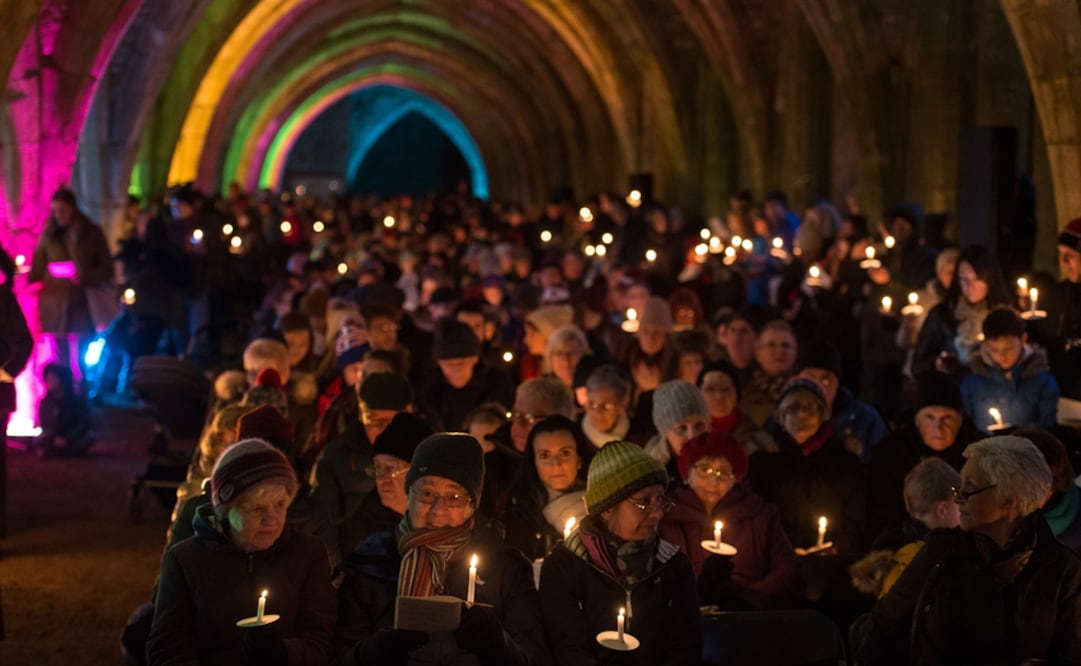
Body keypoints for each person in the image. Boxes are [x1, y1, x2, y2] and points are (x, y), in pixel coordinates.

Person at [858, 436, 1081, 665]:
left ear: (1010, 499)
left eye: (970, 488)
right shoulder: (942, 551)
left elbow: (1071, 656)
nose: (958, 497)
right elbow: (882, 626)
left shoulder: (1064, 570)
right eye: (959, 486)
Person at [334, 433, 550, 665]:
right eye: (427, 493)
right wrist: (371, 652)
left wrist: (499, 645)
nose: (438, 509)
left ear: (471, 506)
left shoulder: (506, 570)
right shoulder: (370, 564)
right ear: (409, 494)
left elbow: (535, 659)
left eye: (454, 497)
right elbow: (339, 654)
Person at [148, 439, 336, 665]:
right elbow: (167, 646)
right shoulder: (185, 561)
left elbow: (321, 640)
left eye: (280, 505)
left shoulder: (307, 555)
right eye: (258, 508)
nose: (272, 520)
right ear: (226, 510)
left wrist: (284, 653)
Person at [539, 441, 702, 664]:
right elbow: (569, 648)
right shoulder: (564, 566)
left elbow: (686, 647)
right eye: (643, 502)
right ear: (607, 508)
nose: (657, 514)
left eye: (660, 500)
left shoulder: (673, 565)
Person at [659, 431, 803, 610]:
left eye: (724, 472)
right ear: (687, 473)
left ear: (736, 478)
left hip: (749, 617)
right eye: (704, 469)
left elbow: (788, 571)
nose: (714, 480)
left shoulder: (759, 515)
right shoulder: (664, 516)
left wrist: (746, 601)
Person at [749, 377, 866, 552]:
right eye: (793, 407)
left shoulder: (847, 464)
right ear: (780, 416)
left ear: (823, 416)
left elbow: (855, 520)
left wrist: (836, 548)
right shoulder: (762, 463)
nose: (802, 414)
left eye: (811, 408)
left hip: (832, 560)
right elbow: (756, 517)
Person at [867, 373, 986, 539]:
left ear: (960, 420)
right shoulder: (891, 454)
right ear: (917, 419)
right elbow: (880, 516)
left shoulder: (979, 455)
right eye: (930, 417)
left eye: (947, 417)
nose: (938, 427)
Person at [27, 188, 114, 383]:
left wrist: (83, 276)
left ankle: (83, 392)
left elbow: (106, 268)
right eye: (55, 211)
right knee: (59, 360)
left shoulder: (91, 232)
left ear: (73, 208)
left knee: (82, 357)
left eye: (62, 210)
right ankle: (63, 395)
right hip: (54, 304)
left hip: (81, 304)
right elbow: (37, 269)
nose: (58, 215)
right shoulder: (48, 234)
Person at [849, 458, 961, 599]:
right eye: (959, 501)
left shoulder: (899, 552)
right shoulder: (928, 563)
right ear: (942, 509)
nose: (963, 509)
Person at [337, 412, 433, 564]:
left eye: (390, 468)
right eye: (378, 468)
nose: (382, 480)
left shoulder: (446, 521)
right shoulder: (358, 528)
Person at [501, 415, 593, 560]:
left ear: (579, 459)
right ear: (534, 462)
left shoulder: (606, 506)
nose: (555, 464)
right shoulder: (519, 519)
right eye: (544, 455)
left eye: (565, 453)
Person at [912, 245, 1010, 378]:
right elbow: (918, 364)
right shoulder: (942, 315)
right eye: (964, 279)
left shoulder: (1005, 316)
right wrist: (938, 362)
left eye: (977, 279)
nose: (970, 286)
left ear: (989, 280)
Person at [961, 306, 1059, 431]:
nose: (1002, 356)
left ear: (1023, 339)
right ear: (985, 344)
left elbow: (1048, 428)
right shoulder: (972, 381)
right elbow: (967, 425)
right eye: (994, 349)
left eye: (1009, 348)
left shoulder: (1043, 382)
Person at [796, 340, 886, 462]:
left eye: (826, 380)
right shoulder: (784, 417)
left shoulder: (866, 419)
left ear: (837, 383)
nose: (818, 387)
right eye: (810, 378)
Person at [419, 318, 513, 431]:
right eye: (449, 363)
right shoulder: (427, 390)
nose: (455, 368)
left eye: (461, 362)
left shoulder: (497, 385)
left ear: (475, 359)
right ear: (439, 363)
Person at [643, 379, 711, 484]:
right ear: (664, 432)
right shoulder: (648, 473)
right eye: (681, 429)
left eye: (699, 426)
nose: (692, 436)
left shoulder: (725, 460)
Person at [740, 320, 799, 427]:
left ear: (795, 353)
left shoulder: (806, 392)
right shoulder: (743, 393)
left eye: (785, 345)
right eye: (771, 345)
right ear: (758, 353)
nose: (779, 351)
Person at [33, 363, 94, 458]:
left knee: (87, 439)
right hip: (53, 438)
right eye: (47, 379)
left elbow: (83, 423)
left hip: (71, 438)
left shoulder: (75, 401)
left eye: (53, 378)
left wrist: (67, 438)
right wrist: (53, 437)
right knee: (38, 441)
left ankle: (58, 451)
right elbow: (45, 424)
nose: (49, 382)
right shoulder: (45, 402)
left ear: (61, 380)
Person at [580, 364, 633, 449]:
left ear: (622, 406)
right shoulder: (575, 439)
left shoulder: (638, 441)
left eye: (606, 406)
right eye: (592, 404)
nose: (597, 412)